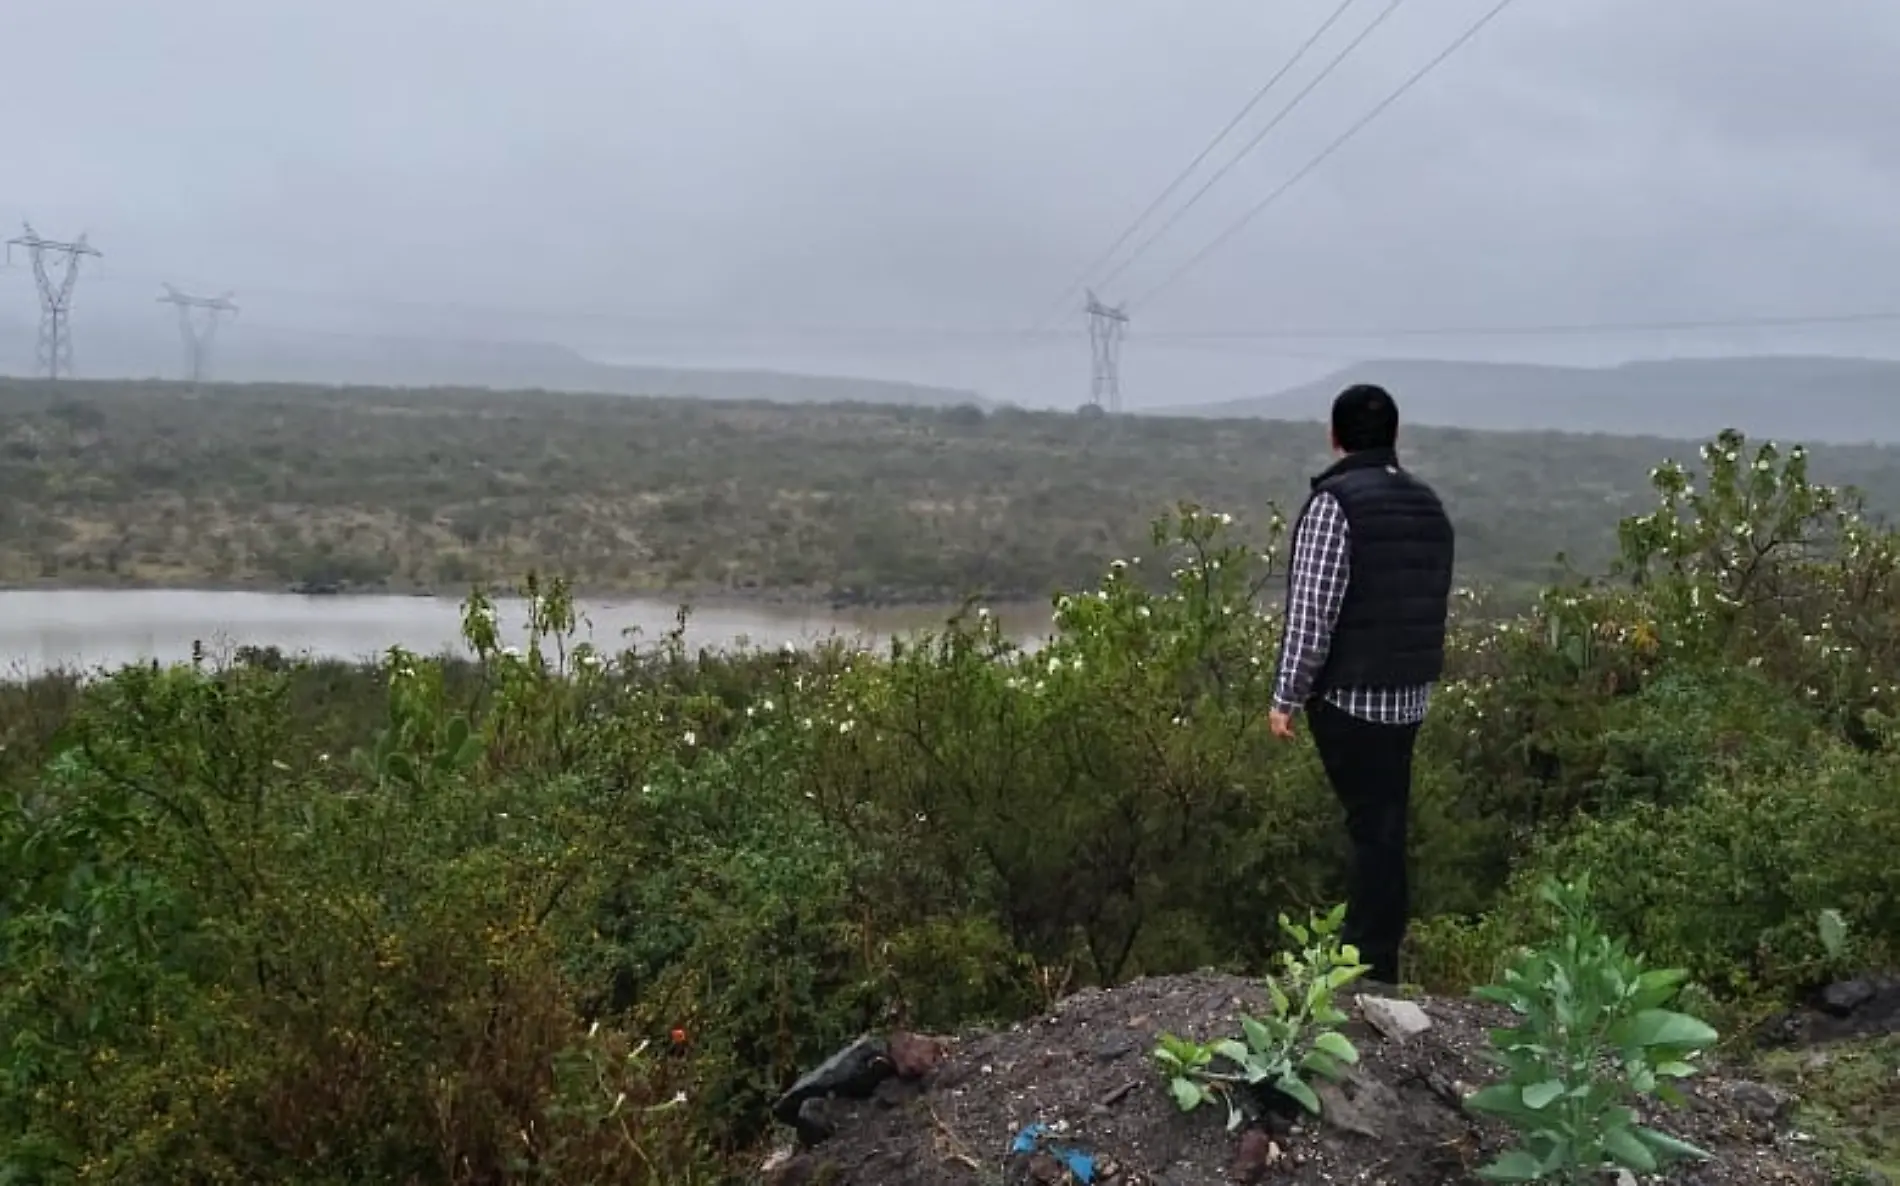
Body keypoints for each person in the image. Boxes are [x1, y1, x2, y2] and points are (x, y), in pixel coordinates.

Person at [1267, 383, 1454, 986]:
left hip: (1352, 697)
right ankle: (1376, 958)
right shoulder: (1428, 505)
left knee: (1373, 829)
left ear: (1335, 436)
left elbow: (1312, 615)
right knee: (1385, 823)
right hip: (1410, 694)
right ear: (1395, 436)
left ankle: (1368, 964)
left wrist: (1286, 697)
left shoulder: (1335, 505)